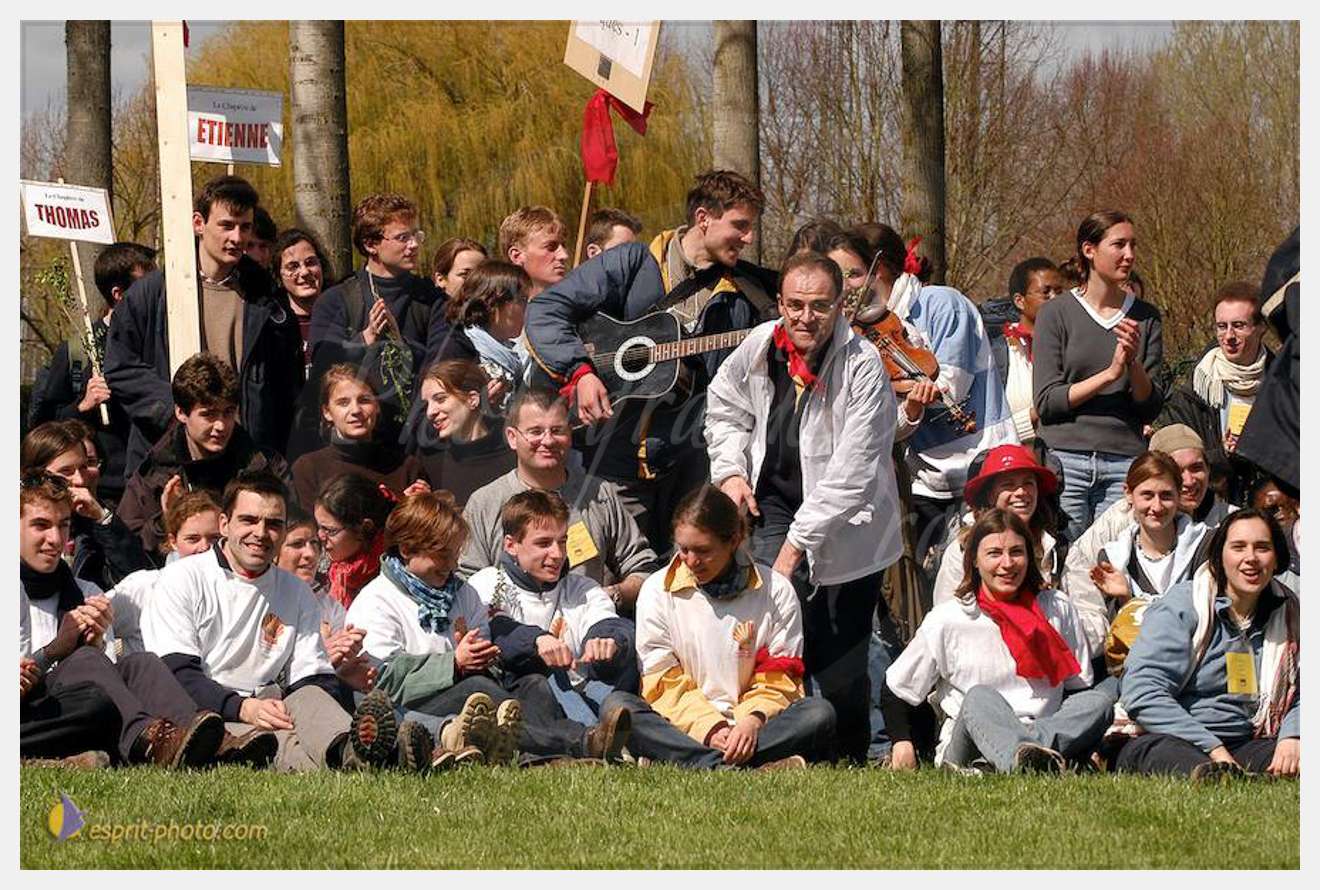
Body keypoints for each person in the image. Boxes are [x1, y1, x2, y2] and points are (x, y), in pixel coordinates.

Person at [705, 251, 903, 762]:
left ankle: (855, 755)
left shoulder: (863, 366)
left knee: (842, 654)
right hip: (770, 507)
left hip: (849, 526)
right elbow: (724, 409)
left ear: (841, 306)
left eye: (819, 306)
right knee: (771, 632)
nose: (804, 318)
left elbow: (853, 474)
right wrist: (729, 473)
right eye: (794, 305)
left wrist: (798, 544)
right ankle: (769, 747)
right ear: (779, 303)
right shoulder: (757, 346)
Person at [524, 170, 777, 552]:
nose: (749, 238)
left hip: (695, 460)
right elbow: (546, 310)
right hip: (613, 457)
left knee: (693, 574)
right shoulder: (631, 263)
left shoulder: (750, 291)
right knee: (609, 570)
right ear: (703, 218)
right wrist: (580, 372)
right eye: (740, 226)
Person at [142, 469, 428, 771]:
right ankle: (375, 759)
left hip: (274, 702)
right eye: (249, 520)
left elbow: (311, 677)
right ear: (224, 524)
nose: (261, 533)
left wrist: (306, 704)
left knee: (310, 697)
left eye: (274, 524)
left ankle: (352, 750)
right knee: (272, 740)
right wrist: (243, 708)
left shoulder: (296, 591)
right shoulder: (181, 579)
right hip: (208, 712)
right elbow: (176, 674)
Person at [345, 490, 630, 764]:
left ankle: (543, 755)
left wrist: (482, 659)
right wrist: (454, 664)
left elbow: (492, 662)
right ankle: (580, 742)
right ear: (407, 550)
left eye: (455, 555)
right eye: (442, 556)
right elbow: (380, 681)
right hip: (413, 710)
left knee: (533, 684)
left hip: (470, 694)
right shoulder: (376, 600)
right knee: (479, 689)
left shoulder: (462, 593)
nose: (452, 565)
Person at [606, 485, 836, 769]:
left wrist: (751, 720)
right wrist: (710, 728)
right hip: (684, 724)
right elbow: (661, 679)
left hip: (756, 727)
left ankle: (685, 760)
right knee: (617, 706)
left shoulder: (776, 590)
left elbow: (781, 674)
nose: (691, 561)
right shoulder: (656, 590)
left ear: (735, 540)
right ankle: (742, 765)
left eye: (703, 551)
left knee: (818, 714)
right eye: (684, 549)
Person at [20, 472, 240, 768]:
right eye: (41, 526)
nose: (56, 539)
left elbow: (108, 674)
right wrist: (55, 651)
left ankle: (213, 742)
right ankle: (147, 742)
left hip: (71, 706)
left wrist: (96, 641)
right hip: (29, 713)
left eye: (64, 526)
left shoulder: (84, 592)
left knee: (141, 663)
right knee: (88, 668)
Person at [883, 509, 1110, 773]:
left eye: (1016, 552)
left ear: (1029, 557)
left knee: (1098, 702)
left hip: (1043, 727)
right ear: (974, 561)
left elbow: (1077, 689)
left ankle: (1015, 762)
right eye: (994, 554)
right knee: (979, 697)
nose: (1007, 563)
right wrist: (902, 743)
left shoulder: (1058, 608)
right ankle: (1021, 760)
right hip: (972, 737)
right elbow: (896, 689)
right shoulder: (948, 619)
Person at [103, 175, 302, 476]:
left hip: (245, 461)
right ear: (199, 223)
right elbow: (121, 366)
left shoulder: (266, 297)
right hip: (168, 457)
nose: (237, 238)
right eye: (226, 225)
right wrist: (174, 411)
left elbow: (287, 383)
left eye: (245, 227)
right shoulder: (152, 293)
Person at [849, 222, 1016, 574]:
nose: (844, 287)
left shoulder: (941, 303)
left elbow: (950, 386)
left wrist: (888, 384)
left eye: (851, 274)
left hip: (979, 463)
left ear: (876, 270)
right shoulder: (860, 328)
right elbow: (888, 424)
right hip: (924, 477)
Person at [1116, 510, 1299, 780]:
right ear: (1219, 556)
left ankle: (1239, 774)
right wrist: (1214, 748)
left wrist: (1293, 735)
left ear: (1276, 559)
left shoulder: (1290, 612)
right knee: (1173, 757)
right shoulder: (1182, 606)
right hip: (1169, 736)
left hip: (1248, 740)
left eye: (1262, 548)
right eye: (1238, 547)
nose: (1251, 558)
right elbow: (1142, 693)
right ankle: (1219, 774)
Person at [458, 387, 657, 610]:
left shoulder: (600, 494)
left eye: (557, 430)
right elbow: (466, 584)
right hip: (510, 636)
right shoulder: (485, 503)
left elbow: (644, 568)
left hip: (591, 634)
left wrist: (611, 596)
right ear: (512, 438)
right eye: (535, 431)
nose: (548, 441)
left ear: (570, 434)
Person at [1033, 210, 1164, 541]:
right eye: (1119, 245)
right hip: (1065, 459)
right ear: (1089, 250)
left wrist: (1132, 364)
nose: (1129, 255)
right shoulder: (1055, 314)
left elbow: (1150, 407)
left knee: (1114, 563)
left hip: (1124, 460)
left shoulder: (1145, 318)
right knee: (1064, 561)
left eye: (1133, 245)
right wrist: (1109, 375)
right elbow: (1048, 401)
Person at [467, 491, 638, 725]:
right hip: (523, 697)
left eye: (562, 541)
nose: (557, 554)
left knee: (619, 692)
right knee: (544, 676)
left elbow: (608, 621)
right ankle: (593, 738)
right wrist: (537, 641)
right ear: (511, 545)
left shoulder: (581, 587)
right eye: (543, 543)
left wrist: (607, 639)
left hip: (587, 689)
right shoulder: (488, 582)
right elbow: (498, 630)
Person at [117, 353, 291, 556]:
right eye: (208, 414)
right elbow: (126, 549)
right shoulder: (156, 473)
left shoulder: (265, 467)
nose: (221, 426)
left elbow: (294, 531)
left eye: (228, 413)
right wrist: (166, 520)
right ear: (181, 413)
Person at [27, 241, 156, 506]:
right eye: (149, 286)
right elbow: (43, 426)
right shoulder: (78, 351)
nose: (159, 293)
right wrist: (82, 405)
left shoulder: (160, 344)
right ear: (119, 294)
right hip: (101, 490)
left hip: (150, 484)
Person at [309, 193, 439, 444]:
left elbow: (445, 360)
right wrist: (365, 339)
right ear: (371, 244)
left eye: (416, 235)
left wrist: (401, 345)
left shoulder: (432, 299)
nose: (413, 245)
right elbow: (323, 364)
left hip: (420, 436)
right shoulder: (337, 300)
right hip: (356, 439)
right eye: (403, 237)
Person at [1070, 451, 1213, 656]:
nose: (1156, 506)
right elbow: (1122, 644)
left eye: (1166, 495)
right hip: (1139, 668)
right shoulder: (1113, 557)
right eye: (1147, 495)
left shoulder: (1205, 546)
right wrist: (1125, 599)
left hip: (1197, 661)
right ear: (1129, 494)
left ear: (1178, 495)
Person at [1160, 281, 1272, 505]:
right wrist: (1221, 454)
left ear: (1261, 328)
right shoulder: (1196, 389)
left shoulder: (1283, 385)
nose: (1228, 336)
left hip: (1266, 504)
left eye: (1239, 325)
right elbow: (1173, 459)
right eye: (1222, 326)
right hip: (1211, 503)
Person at [22, 420, 155, 589]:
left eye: (84, 467)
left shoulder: (99, 524)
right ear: (35, 474)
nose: (80, 480)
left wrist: (102, 519)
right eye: (66, 472)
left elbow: (141, 583)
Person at [933, 444, 1063, 605]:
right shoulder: (961, 550)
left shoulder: (1057, 548)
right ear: (989, 495)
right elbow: (947, 615)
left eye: (1028, 483)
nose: (1021, 492)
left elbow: (1085, 616)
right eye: (1008, 485)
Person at [291, 365, 430, 512]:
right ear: (327, 412)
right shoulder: (308, 469)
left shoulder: (407, 468)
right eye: (343, 403)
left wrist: (420, 507)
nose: (356, 410)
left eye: (364, 400)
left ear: (377, 406)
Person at [413, 360, 515, 506]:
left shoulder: (515, 450)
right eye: (427, 404)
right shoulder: (432, 459)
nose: (430, 412)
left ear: (472, 399)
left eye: (440, 399)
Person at [273, 228, 336, 462]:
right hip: (291, 440)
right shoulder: (272, 325)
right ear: (278, 275)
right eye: (292, 266)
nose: (304, 272)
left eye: (311, 262)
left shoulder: (343, 314)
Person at [440, 260, 531, 411]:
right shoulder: (458, 349)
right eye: (521, 300)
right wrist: (476, 406)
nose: (527, 308)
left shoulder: (511, 356)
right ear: (493, 302)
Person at [993, 258, 1065, 445]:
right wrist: (1032, 418)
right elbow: (989, 429)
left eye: (1059, 291)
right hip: (1019, 464)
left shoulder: (1074, 344)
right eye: (1045, 292)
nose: (1055, 299)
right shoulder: (999, 352)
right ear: (1020, 300)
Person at [314, 473, 395, 611]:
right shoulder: (318, 566)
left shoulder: (391, 574)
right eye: (319, 527)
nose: (320, 536)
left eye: (330, 531)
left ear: (365, 528)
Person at [498, 205, 569, 298]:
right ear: (516, 256)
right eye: (550, 247)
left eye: (564, 246)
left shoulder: (580, 308)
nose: (564, 255)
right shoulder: (499, 310)